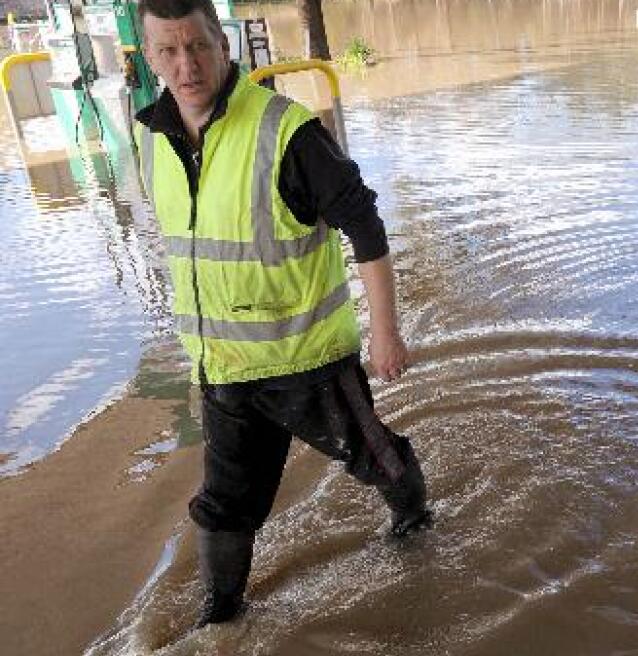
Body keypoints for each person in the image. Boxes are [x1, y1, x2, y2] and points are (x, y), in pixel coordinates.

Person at [134, 0, 432, 628]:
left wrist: (386, 333)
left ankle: (416, 521)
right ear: (147, 56)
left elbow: (366, 227)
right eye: (168, 51)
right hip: (224, 368)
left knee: (374, 460)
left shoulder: (287, 133)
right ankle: (220, 617)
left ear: (225, 44)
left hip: (308, 361)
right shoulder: (155, 137)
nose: (186, 66)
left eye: (198, 47)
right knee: (225, 503)